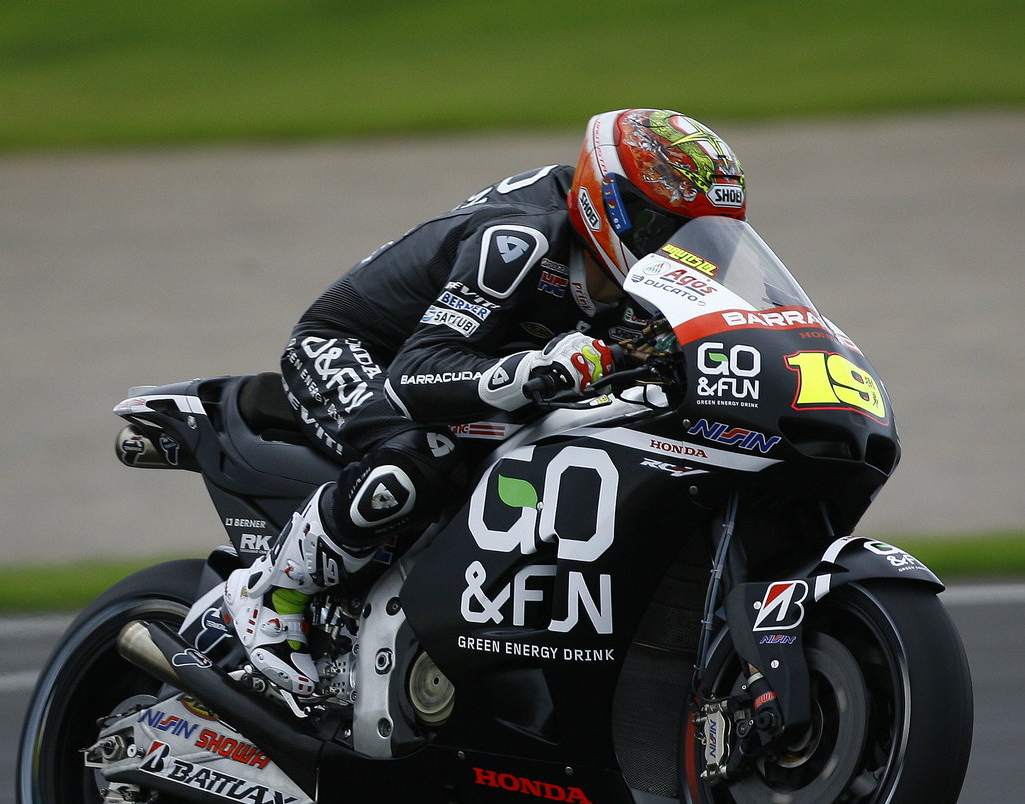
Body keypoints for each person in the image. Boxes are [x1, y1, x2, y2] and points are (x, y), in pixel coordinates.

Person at [223, 108, 747, 699]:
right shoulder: (520, 239)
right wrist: (533, 369)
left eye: (699, 232)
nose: (680, 249)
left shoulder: (658, 280)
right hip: (358, 349)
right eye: (663, 226)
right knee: (421, 457)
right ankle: (272, 591)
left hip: (476, 363)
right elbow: (415, 375)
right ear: (611, 202)